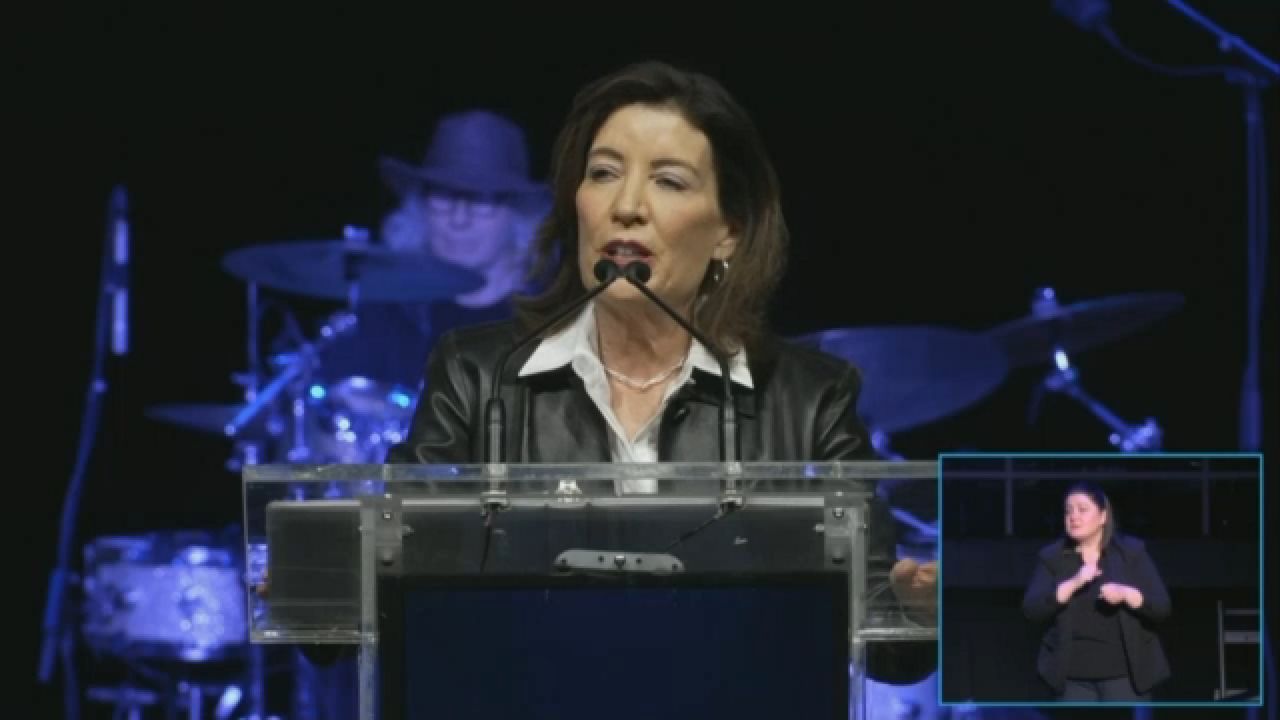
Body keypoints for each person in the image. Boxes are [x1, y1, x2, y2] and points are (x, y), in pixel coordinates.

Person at [386, 60, 937, 684]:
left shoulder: (810, 400)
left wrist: (918, 612)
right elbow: (391, 586)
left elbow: (887, 642)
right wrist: (330, 569)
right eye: (603, 173)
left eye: (669, 181)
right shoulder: (476, 375)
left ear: (728, 231)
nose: (626, 206)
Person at [291, 109, 550, 465]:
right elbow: (328, 419)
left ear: (518, 215)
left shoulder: (554, 318)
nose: (459, 218)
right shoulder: (384, 312)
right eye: (443, 196)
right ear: (420, 207)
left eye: (481, 200)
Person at [1021, 480, 1172, 702]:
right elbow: (1032, 610)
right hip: (1071, 682)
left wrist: (1126, 594)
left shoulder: (1131, 552)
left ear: (1103, 517)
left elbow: (1161, 607)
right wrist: (1074, 583)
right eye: (1068, 511)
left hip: (1126, 679)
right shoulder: (1052, 557)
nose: (1073, 517)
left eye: (1082, 509)